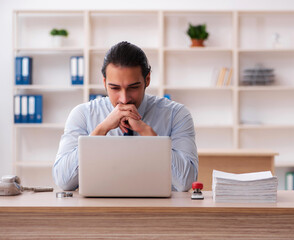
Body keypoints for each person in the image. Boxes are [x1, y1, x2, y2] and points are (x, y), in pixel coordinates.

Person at [53, 41, 198, 192]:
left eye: (133, 87)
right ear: (104, 83)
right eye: (115, 88)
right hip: (99, 210)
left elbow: (186, 182)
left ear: (147, 80)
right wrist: (100, 131)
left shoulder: (176, 115)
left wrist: (151, 137)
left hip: (158, 212)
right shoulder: (83, 114)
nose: (124, 99)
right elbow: (63, 181)